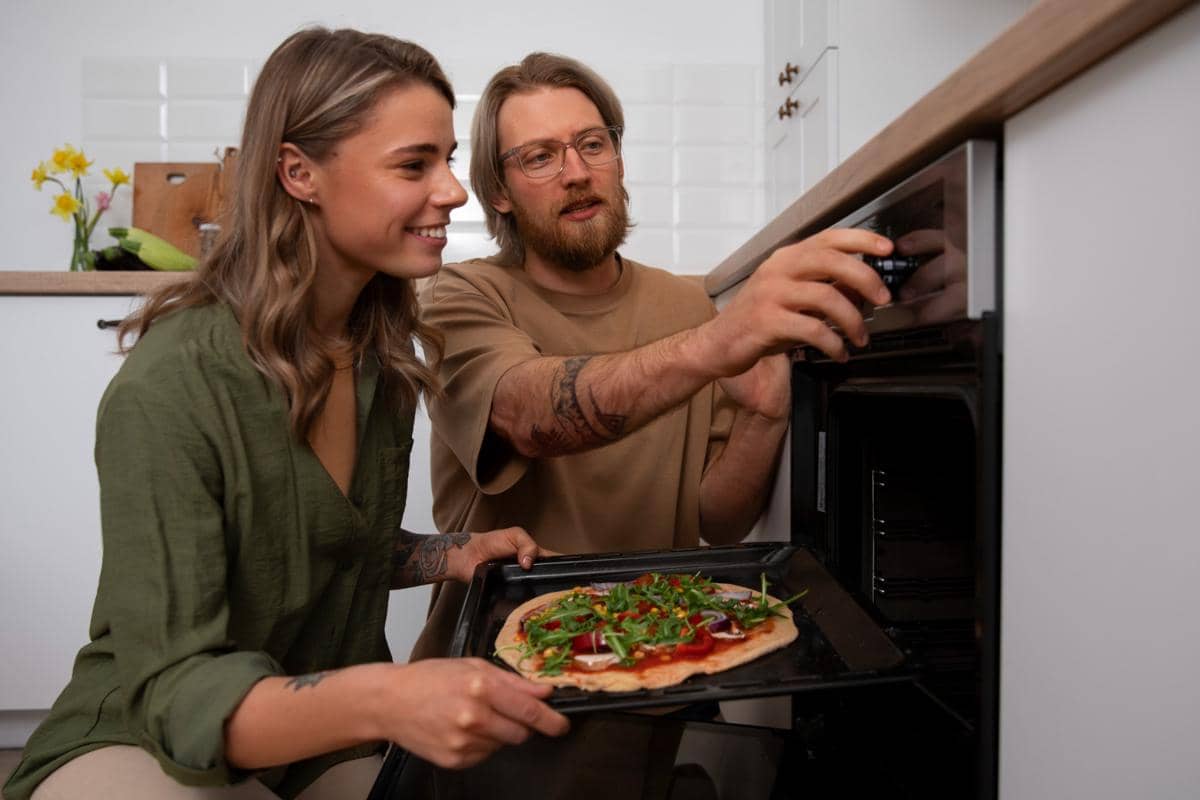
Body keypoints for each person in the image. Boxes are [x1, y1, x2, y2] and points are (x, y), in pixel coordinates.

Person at [3, 29, 568, 800]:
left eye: (445, 158)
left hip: (316, 739)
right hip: (152, 735)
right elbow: (174, 688)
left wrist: (451, 554)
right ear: (299, 173)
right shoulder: (173, 387)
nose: (454, 190)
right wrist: (387, 698)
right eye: (415, 164)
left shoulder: (380, 355)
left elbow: (315, 544)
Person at [410, 52, 894, 661]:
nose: (578, 172)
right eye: (540, 157)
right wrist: (718, 343)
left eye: (593, 144)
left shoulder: (685, 303)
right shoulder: (460, 295)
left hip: (652, 676)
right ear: (497, 193)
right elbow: (529, 416)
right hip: (488, 690)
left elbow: (716, 519)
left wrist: (765, 414)